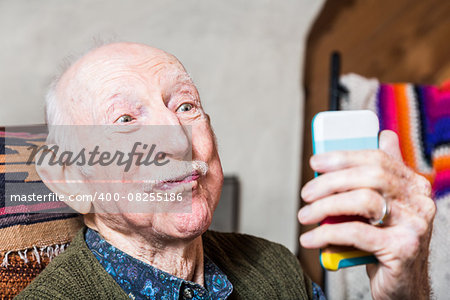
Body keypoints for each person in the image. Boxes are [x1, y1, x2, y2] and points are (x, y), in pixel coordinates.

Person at [16, 42, 435, 300]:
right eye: (125, 120)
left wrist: (404, 292)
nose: (178, 140)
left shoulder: (275, 267)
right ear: (72, 180)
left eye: (185, 107)